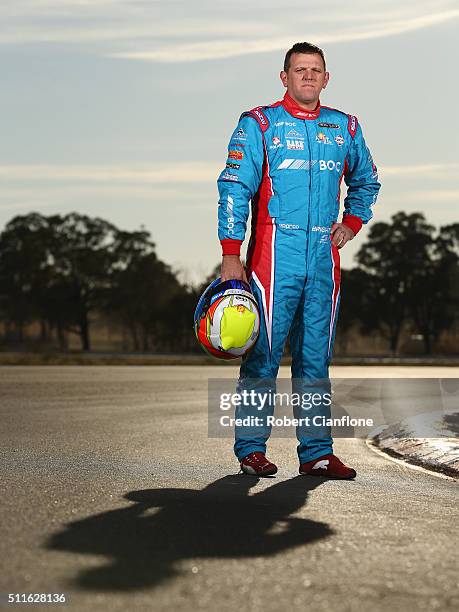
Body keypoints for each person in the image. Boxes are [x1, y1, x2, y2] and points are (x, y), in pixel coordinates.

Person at [217, 42, 381, 479]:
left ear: (326, 79)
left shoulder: (344, 127)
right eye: (299, 69)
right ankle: (251, 449)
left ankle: (316, 454)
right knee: (263, 356)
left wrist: (351, 223)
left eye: (315, 70)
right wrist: (231, 253)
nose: (308, 76)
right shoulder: (259, 124)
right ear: (284, 76)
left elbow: (366, 181)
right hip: (273, 254)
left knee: (315, 360)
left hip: (324, 258)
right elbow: (234, 187)